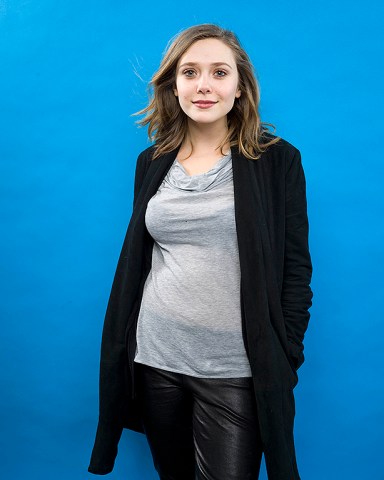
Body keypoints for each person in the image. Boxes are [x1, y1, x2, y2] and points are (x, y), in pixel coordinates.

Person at [88, 23, 313, 480]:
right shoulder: (152, 162)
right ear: (174, 84)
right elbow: (144, 258)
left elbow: (296, 271)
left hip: (234, 368)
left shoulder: (276, 161)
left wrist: (284, 352)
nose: (204, 85)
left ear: (240, 86)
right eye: (190, 72)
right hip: (156, 359)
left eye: (219, 72)